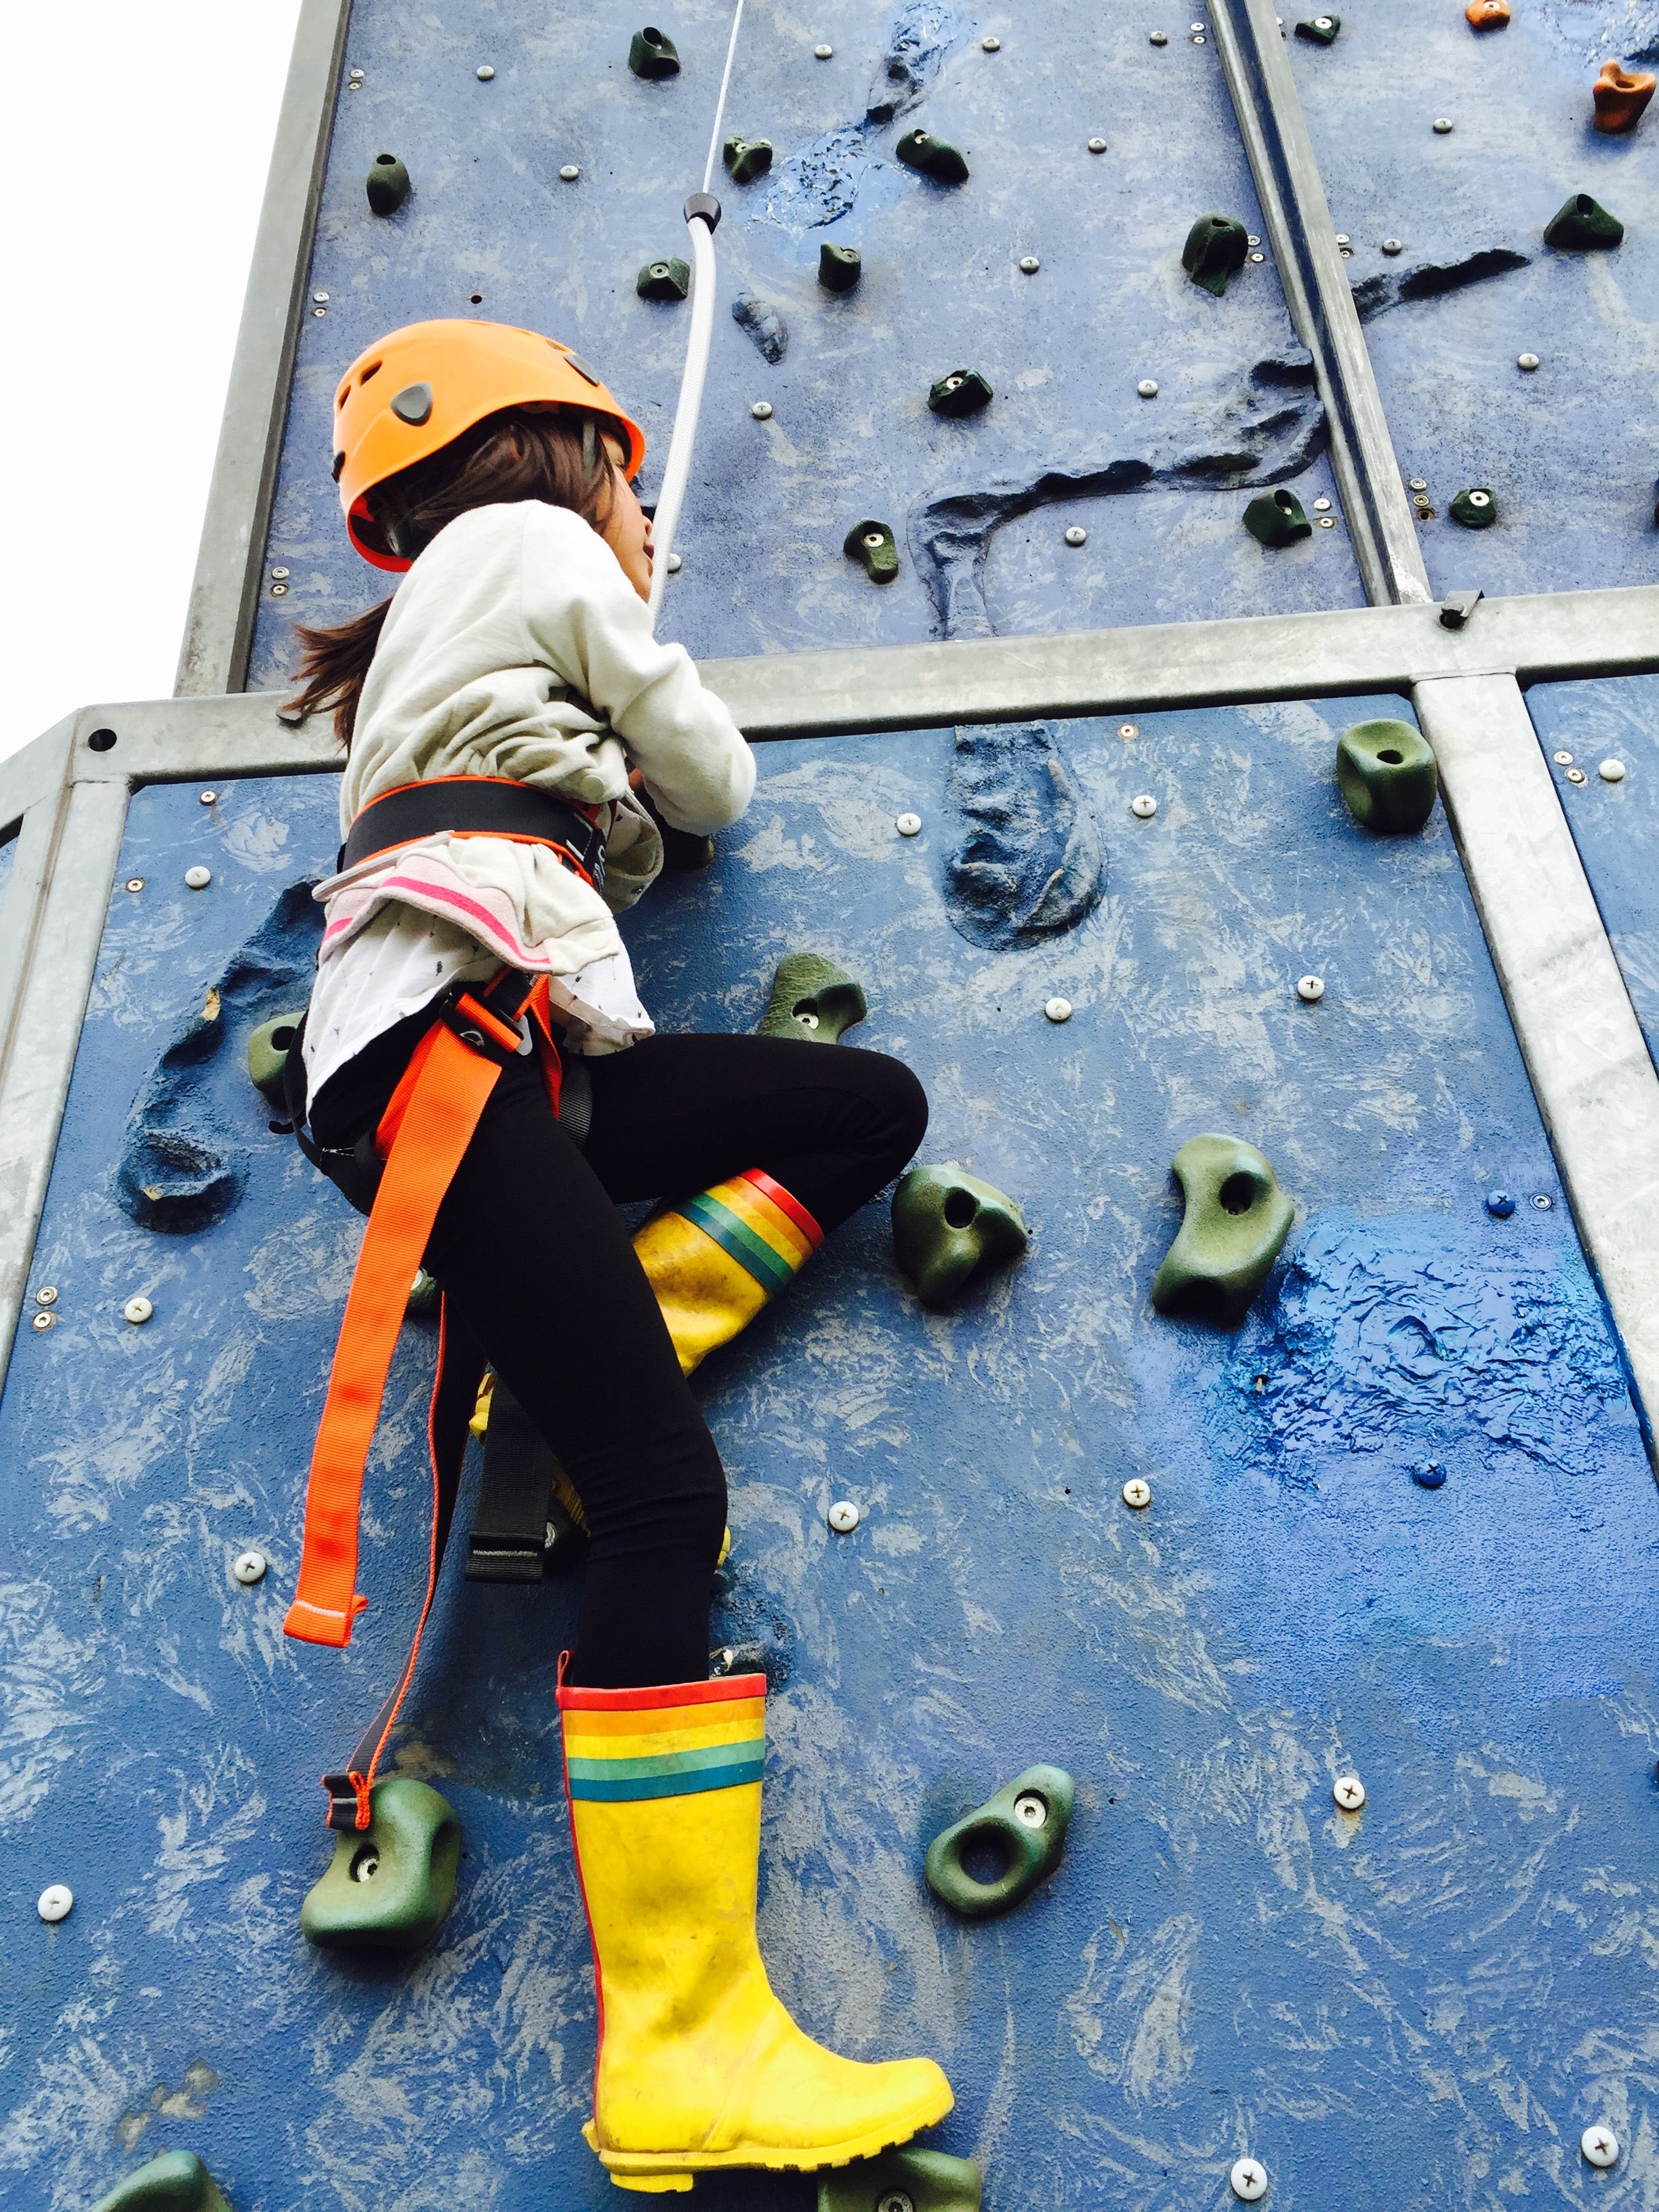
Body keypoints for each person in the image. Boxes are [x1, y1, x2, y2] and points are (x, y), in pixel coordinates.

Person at [277, 320, 953, 2191]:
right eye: (630, 485)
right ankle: (685, 2047)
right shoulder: (535, 545)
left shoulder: (454, 619)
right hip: (461, 1064)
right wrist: (647, 651)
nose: (641, 516)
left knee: (857, 1109)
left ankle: (602, 1364)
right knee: (666, 1508)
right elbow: (711, 776)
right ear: (559, 453)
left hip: (502, 1069)